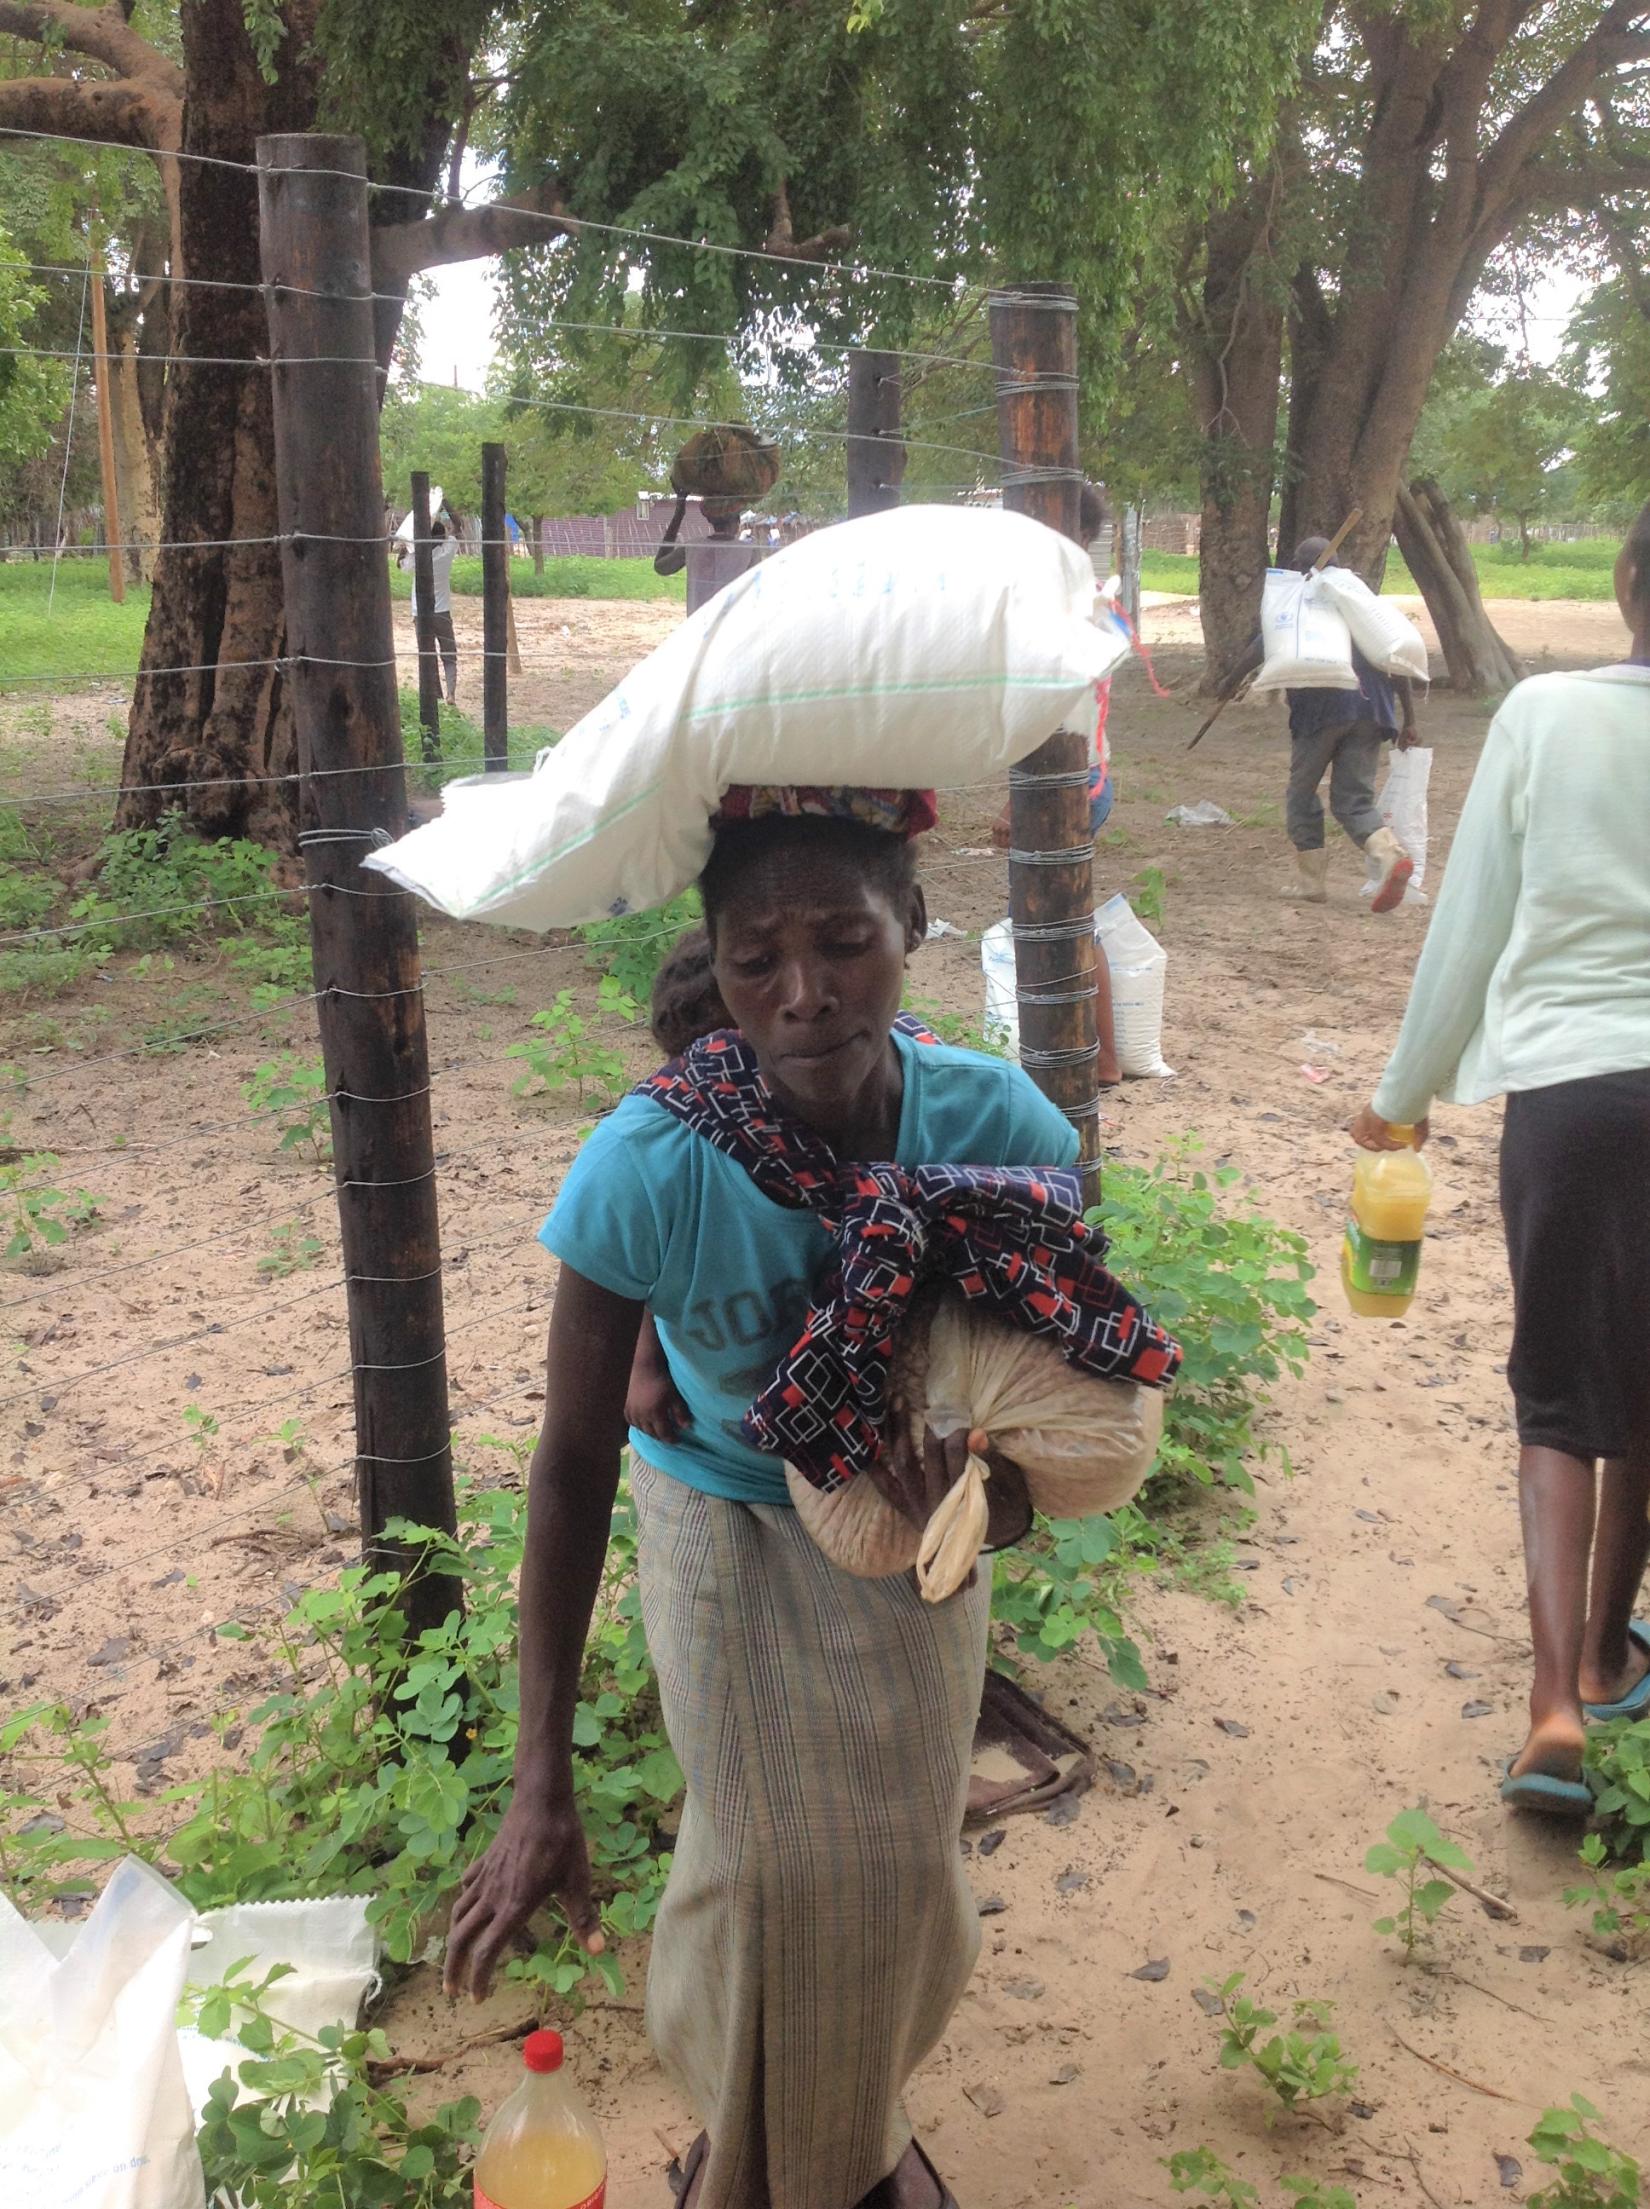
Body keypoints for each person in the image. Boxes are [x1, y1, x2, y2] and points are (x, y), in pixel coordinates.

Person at [443, 790, 1140, 2209]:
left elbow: (1046, 1408)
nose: (804, 991)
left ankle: (835, 2124)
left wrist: (979, 1504)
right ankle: (783, 2158)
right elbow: (572, 1463)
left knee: (897, 1862)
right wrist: (539, 1780)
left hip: (906, 1533)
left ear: (914, 932)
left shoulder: (994, 1123)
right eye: (757, 957)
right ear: (714, 958)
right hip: (722, 1516)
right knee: (759, 1869)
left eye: (845, 942)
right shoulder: (647, 1164)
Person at [1352, 501, 1650, 1818]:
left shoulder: (1544, 717)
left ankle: (1550, 1712)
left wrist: (1398, 1098)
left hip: (1573, 1094)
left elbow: (1467, 921)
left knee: (1559, 1393)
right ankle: (1605, 1650)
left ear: (1625, 578)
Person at [1276, 534, 1418, 910]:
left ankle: (1311, 882)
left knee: (1301, 792)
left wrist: (1228, 681)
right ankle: (1390, 856)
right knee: (1353, 799)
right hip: (1373, 711)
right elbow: (1395, 658)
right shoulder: (1363, 603)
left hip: (1322, 710)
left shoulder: (1302, 602)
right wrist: (1409, 719)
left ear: (1301, 567)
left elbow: (1262, 646)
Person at [396, 516, 459, 704]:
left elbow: (400, 564)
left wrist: (407, 544)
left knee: (427, 655)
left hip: (420, 613)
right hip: (442, 612)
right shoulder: (447, 551)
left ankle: (435, 695)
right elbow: (456, 528)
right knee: (449, 654)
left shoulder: (416, 559)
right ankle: (451, 693)